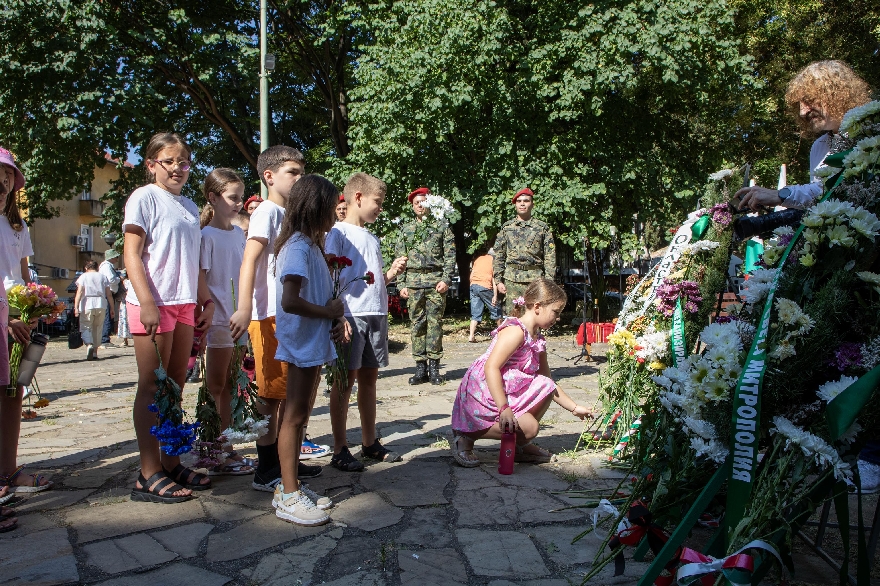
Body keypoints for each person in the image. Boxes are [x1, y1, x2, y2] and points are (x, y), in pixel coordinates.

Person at [229, 145, 326, 493]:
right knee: (271, 394)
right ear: (268, 176)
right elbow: (250, 261)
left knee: (287, 392)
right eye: (293, 173)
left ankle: (288, 461)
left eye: (302, 172)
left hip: (286, 315)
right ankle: (266, 467)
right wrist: (243, 307)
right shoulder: (267, 212)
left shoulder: (292, 216)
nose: (299, 178)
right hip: (269, 312)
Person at [125, 132, 214, 504]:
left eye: (184, 162)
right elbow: (132, 254)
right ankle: (148, 472)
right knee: (152, 385)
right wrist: (146, 301)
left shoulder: (190, 206)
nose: (178, 168)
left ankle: (172, 461)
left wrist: (204, 300)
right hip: (154, 303)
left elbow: (193, 261)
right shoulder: (144, 197)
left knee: (175, 387)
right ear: (152, 165)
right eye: (169, 161)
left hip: (183, 305)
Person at [450, 279, 593, 467]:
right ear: (537, 306)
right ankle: (466, 435)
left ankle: (520, 445)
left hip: (509, 390)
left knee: (544, 385)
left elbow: (547, 381)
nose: (557, 318)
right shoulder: (515, 331)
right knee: (531, 428)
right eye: (555, 312)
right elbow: (491, 367)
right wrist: (504, 408)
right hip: (485, 392)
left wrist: (574, 408)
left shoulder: (537, 338)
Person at [273, 174, 345, 525]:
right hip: (301, 342)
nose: (336, 214)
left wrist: (331, 312)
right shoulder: (298, 248)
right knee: (295, 417)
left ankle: (291, 485)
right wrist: (327, 311)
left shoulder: (311, 246)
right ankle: (288, 494)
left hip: (312, 340)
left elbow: (312, 293)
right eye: (332, 208)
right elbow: (290, 301)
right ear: (315, 209)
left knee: (300, 417)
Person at [326, 173, 408, 471]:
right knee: (344, 382)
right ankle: (339, 447)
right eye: (377, 202)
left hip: (375, 313)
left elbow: (368, 281)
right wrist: (338, 316)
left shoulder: (372, 237)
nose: (380, 208)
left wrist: (389, 277)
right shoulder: (338, 233)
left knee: (369, 381)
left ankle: (369, 441)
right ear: (357, 197)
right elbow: (332, 277)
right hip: (351, 316)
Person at [736, 60, 871, 212]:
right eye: (799, 104)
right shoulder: (819, 146)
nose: (802, 111)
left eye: (809, 100)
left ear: (837, 94)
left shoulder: (871, 132)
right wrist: (780, 195)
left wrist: (781, 195)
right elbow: (820, 195)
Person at [0, 148, 51, 532]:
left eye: (8, 175)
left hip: (16, 317)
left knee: (12, 394)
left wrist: (35, 307)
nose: (2, 180)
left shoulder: (17, 227)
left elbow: (21, 276)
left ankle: (8, 470)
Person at [198, 168, 255, 476]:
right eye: (232, 198)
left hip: (238, 318)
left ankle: (226, 446)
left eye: (240, 197)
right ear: (213, 198)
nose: (238, 203)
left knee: (232, 385)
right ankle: (215, 447)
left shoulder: (238, 235)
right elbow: (202, 278)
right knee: (217, 384)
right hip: (220, 318)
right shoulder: (206, 235)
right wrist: (212, 308)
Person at [394, 187, 456, 385]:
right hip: (413, 283)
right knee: (417, 324)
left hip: (435, 282)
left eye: (423, 202)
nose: (420, 206)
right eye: (416, 203)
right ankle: (420, 367)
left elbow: (450, 257)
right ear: (412, 207)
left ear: (430, 204)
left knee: (435, 325)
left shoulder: (442, 227)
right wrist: (401, 283)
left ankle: (434, 368)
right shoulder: (406, 230)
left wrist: (446, 279)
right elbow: (400, 258)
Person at [494, 188, 557, 316]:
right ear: (515, 204)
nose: (522, 204)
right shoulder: (507, 228)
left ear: (532, 204)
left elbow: (550, 256)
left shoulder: (542, 228)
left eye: (526, 201)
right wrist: (498, 280)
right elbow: (499, 255)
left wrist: (549, 282)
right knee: (513, 318)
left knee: (534, 317)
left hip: (535, 280)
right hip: (512, 280)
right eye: (519, 201)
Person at [74, 261, 114, 361]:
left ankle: (89, 344)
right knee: (98, 328)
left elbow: (79, 292)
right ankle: (95, 352)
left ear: (86, 267)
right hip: (101, 303)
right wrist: (112, 308)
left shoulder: (83, 276)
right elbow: (109, 294)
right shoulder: (103, 277)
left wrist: (76, 307)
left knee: (86, 326)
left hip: (87, 303)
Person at [469, 247, 502, 342]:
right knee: (496, 309)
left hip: (473, 285)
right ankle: (502, 334)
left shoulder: (478, 259)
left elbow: (471, 275)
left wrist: (472, 286)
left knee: (475, 313)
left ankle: (471, 336)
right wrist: (495, 296)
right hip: (485, 286)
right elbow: (494, 279)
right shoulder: (494, 261)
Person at [98, 249, 123, 347]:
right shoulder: (107, 267)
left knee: (109, 315)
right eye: (116, 257)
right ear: (111, 257)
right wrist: (119, 279)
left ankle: (104, 338)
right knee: (108, 315)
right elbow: (111, 279)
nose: (117, 259)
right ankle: (104, 339)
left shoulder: (107, 266)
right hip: (108, 293)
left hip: (108, 293)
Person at [117, 271, 132, 347]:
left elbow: (120, 294)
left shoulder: (123, 283)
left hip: (124, 303)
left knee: (124, 321)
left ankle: (125, 340)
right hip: (132, 303)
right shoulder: (133, 281)